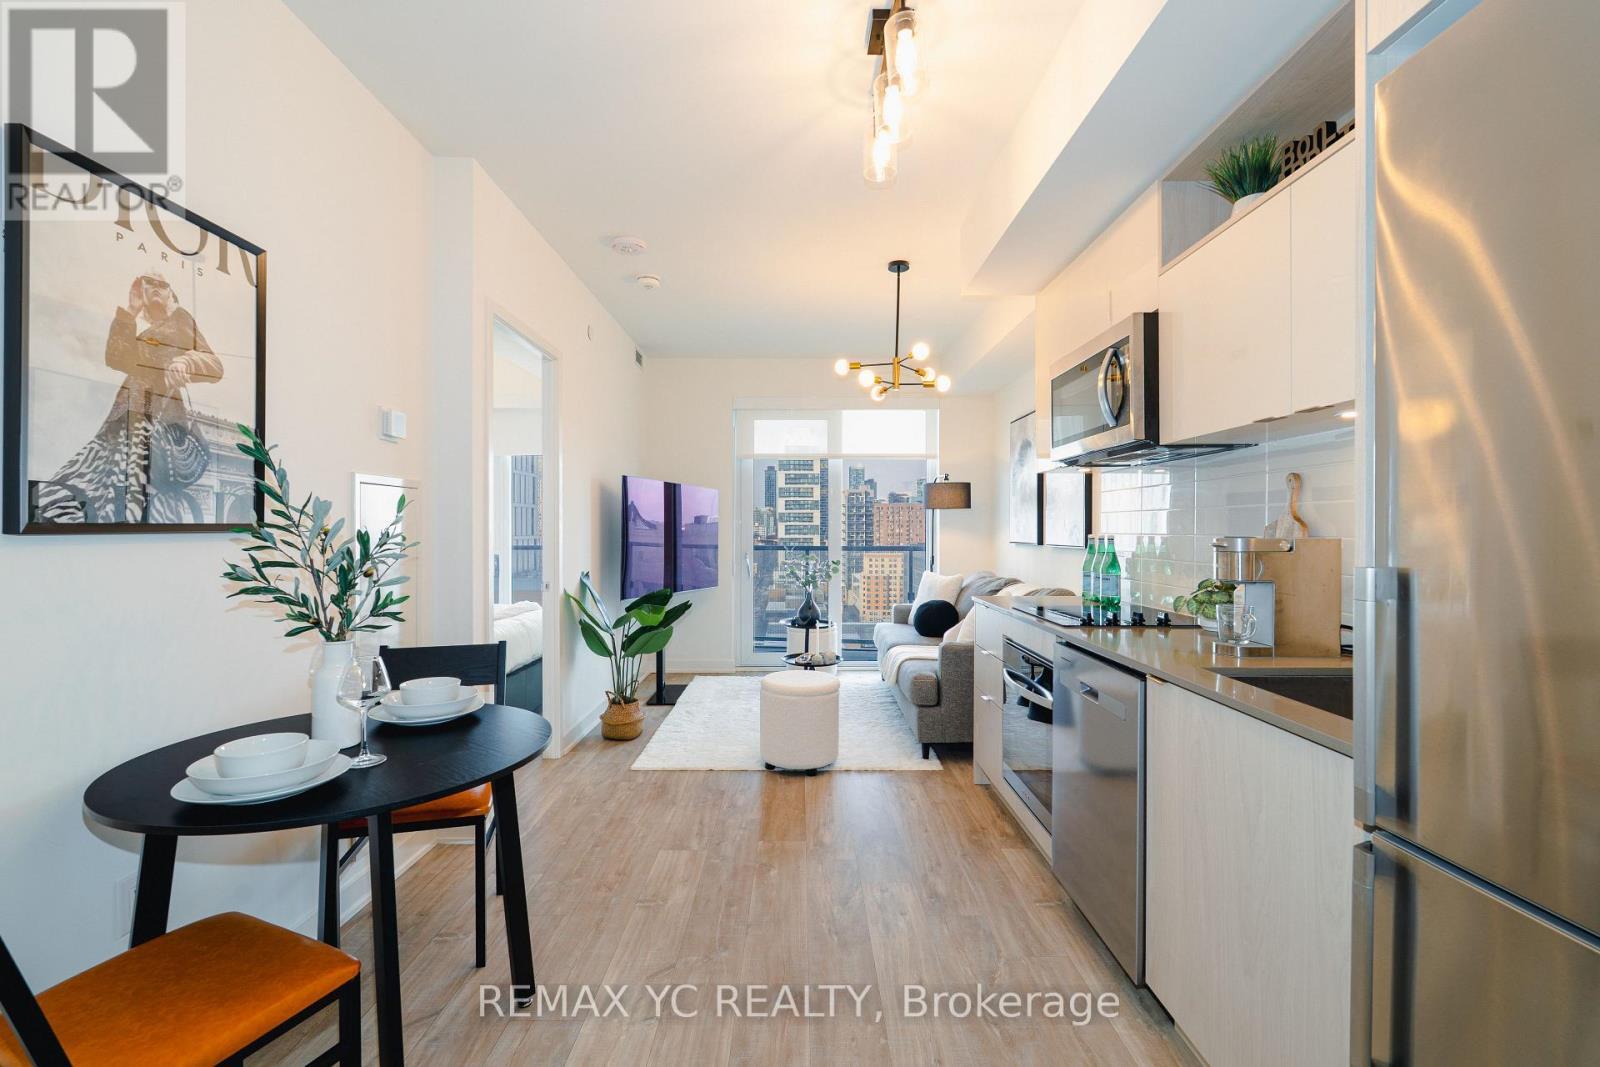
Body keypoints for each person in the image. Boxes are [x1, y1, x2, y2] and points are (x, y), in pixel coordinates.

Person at [34, 271, 223, 524]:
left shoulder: (180, 318)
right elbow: (116, 357)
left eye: (161, 284)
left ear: (171, 294)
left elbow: (214, 365)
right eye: (149, 284)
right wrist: (131, 310)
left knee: (139, 483)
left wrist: (186, 361)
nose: (155, 288)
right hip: (128, 414)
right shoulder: (149, 331)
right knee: (105, 478)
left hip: (156, 417)